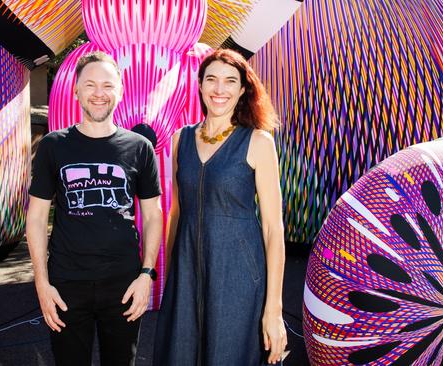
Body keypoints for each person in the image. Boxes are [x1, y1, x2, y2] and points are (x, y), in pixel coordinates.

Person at [26, 51, 163, 366]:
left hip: (125, 284)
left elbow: (153, 215)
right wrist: (41, 283)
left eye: (107, 85)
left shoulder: (140, 148)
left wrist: (146, 275)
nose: (99, 93)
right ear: (75, 90)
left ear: (120, 91)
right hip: (66, 285)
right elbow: (35, 219)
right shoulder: (53, 145)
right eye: (90, 85)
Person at [153, 48, 287, 365]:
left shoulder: (258, 141)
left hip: (239, 279)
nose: (219, 89)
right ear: (199, 85)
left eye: (230, 81)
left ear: (242, 90)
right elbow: (177, 213)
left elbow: (273, 228)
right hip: (186, 275)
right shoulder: (179, 139)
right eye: (211, 79)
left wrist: (274, 309)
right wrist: (174, 279)